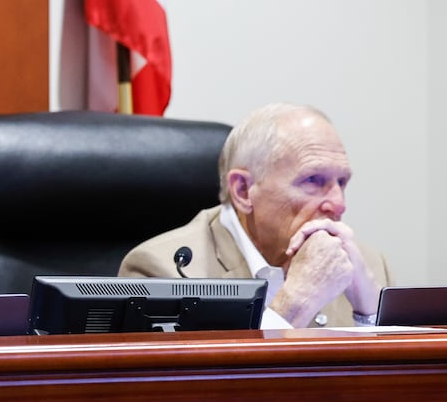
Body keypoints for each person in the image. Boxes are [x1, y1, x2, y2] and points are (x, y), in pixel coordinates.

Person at [120, 102, 392, 328]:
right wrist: (295, 302)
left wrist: (369, 315)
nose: (338, 203)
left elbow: (403, 389)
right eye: (313, 180)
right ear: (243, 190)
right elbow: (186, 389)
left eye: (342, 182)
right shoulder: (162, 272)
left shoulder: (367, 265)